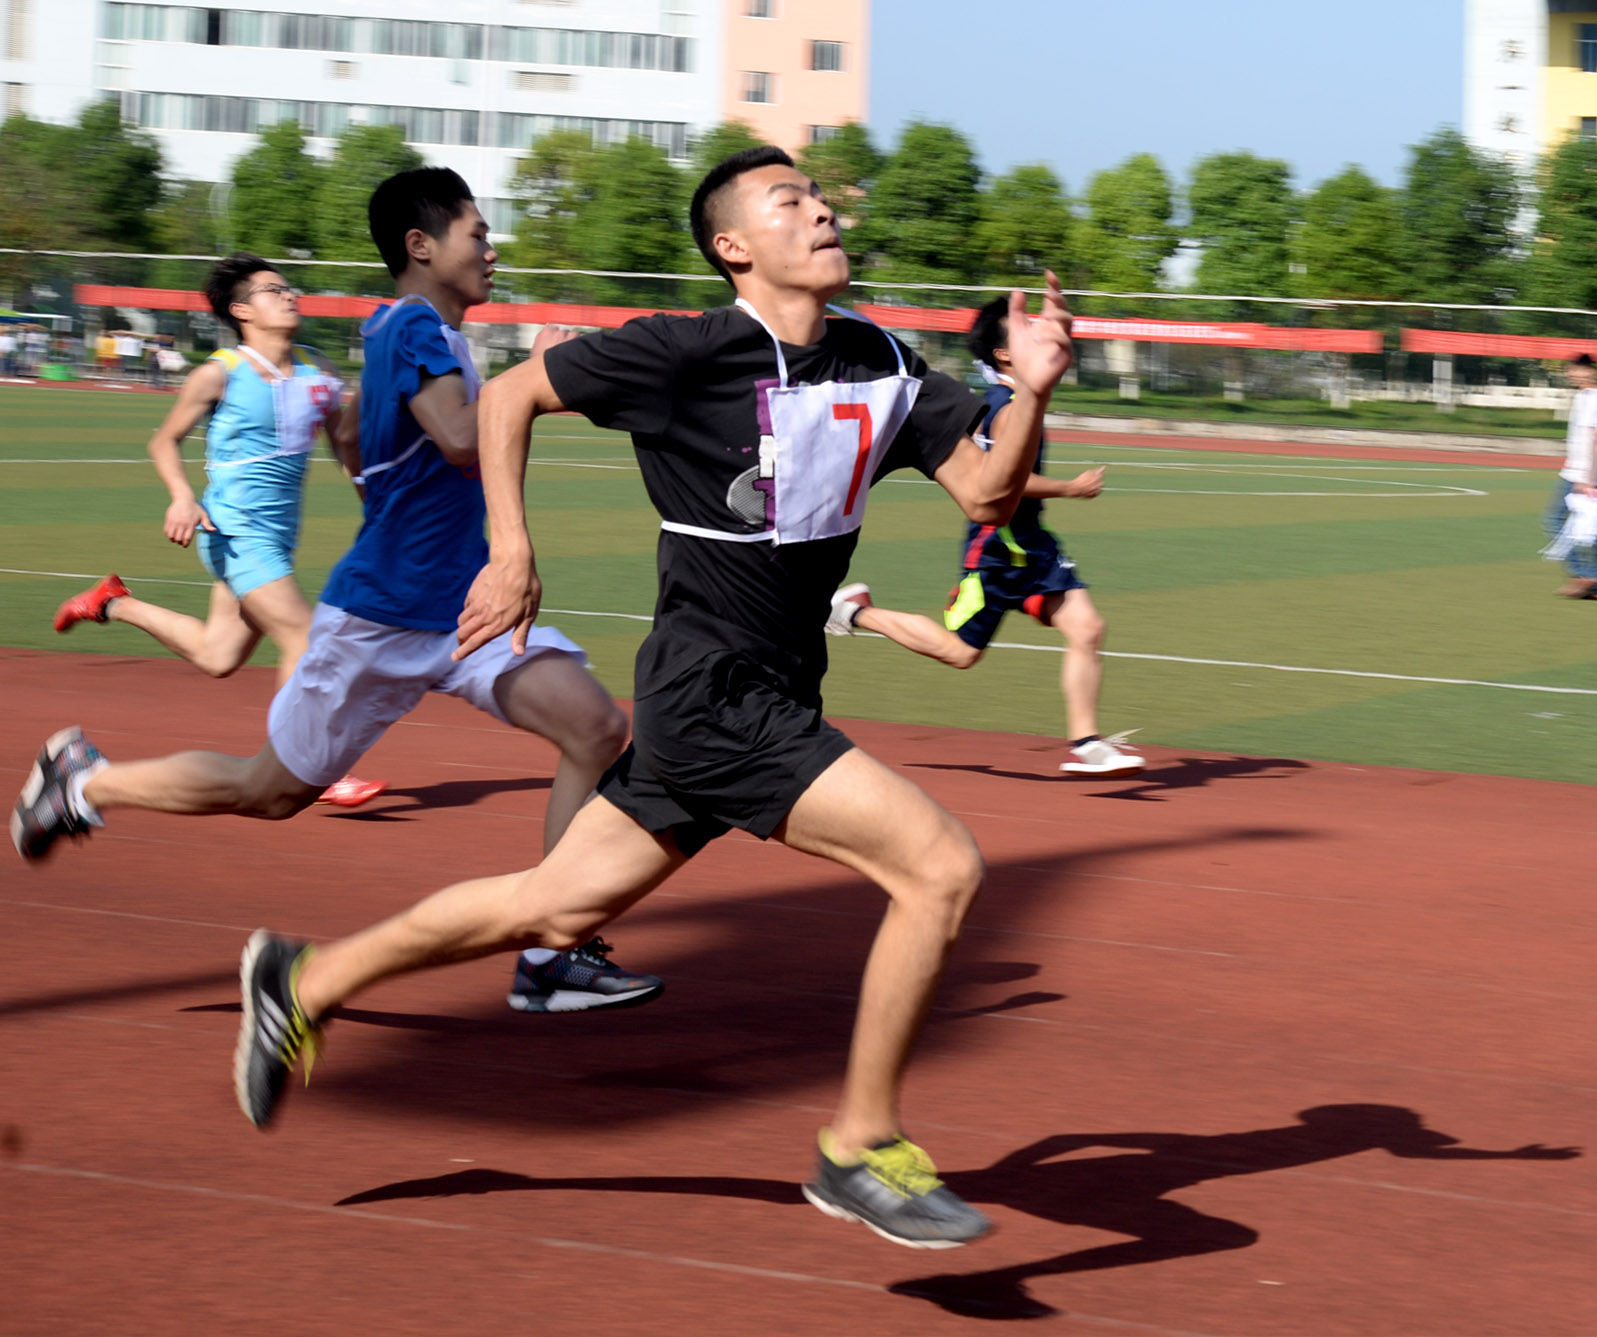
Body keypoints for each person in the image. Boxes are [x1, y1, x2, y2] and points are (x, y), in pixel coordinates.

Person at [223, 146, 1074, 1249]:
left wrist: (1035, 391)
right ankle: (858, 1145)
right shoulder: (686, 351)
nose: (819, 210)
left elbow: (983, 486)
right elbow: (515, 396)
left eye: (819, 198)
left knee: (553, 907)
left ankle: (305, 978)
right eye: (790, 202)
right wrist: (514, 551)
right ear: (733, 246)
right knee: (941, 864)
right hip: (713, 693)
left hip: (757, 689)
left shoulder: (878, 357)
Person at [13, 169, 645, 1014]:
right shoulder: (412, 325)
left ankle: (550, 952)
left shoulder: (434, 339)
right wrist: (543, 379)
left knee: (598, 728)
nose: (492, 251)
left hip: (464, 608)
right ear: (421, 246)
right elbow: (463, 439)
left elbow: (368, 437)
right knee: (267, 791)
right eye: (478, 234)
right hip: (380, 615)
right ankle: (82, 786)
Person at [49, 253, 384, 807]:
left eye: (290, 288)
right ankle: (306, 762)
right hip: (231, 531)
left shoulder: (319, 372)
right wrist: (181, 496)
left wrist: (375, 509)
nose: (290, 295)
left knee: (218, 656)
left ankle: (111, 602)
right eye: (274, 290)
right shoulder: (219, 372)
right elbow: (164, 441)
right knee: (303, 636)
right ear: (241, 310)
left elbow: (345, 446)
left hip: (276, 539)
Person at [826, 295, 1143, 779]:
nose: (1038, 335)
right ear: (1004, 355)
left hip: (1033, 544)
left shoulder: (1019, 400)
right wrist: (1070, 488)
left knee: (1088, 628)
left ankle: (1087, 743)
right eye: (1025, 331)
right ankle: (854, 610)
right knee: (961, 654)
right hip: (994, 548)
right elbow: (1001, 482)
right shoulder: (1000, 409)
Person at [1544, 352, 1597, 601]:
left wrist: (1587, 478)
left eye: (1578, 369)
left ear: (1592, 371)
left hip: (1584, 474)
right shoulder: (1592, 397)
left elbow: (1595, 437)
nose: (1572, 374)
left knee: (1554, 519)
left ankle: (1584, 575)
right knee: (1595, 532)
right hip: (1588, 472)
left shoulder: (1593, 398)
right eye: (1570, 370)